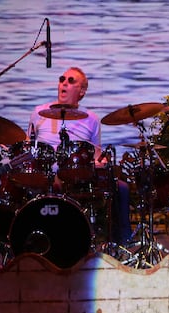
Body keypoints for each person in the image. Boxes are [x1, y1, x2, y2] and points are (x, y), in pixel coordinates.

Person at [27, 67, 132, 246]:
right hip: (43, 175)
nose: (64, 83)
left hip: (77, 177)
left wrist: (101, 162)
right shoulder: (39, 113)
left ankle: (121, 244)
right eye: (62, 79)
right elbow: (27, 147)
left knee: (121, 187)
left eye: (70, 80)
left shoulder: (91, 118)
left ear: (82, 91)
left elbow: (96, 155)